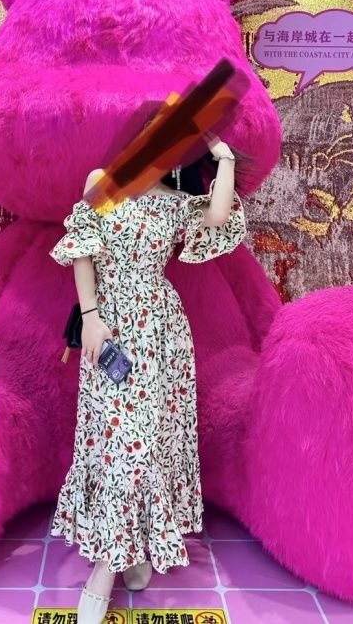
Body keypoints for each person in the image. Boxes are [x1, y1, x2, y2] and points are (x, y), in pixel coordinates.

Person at [49, 133, 246, 624]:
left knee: (146, 443)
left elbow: (219, 215)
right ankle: (117, 560)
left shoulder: (176, 201)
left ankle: (118, 561)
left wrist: (222, 156)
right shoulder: (104, 181)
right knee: (118, 443)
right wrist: (91, 316)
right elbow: (82, 249)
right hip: (111, 329)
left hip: (161, 333)